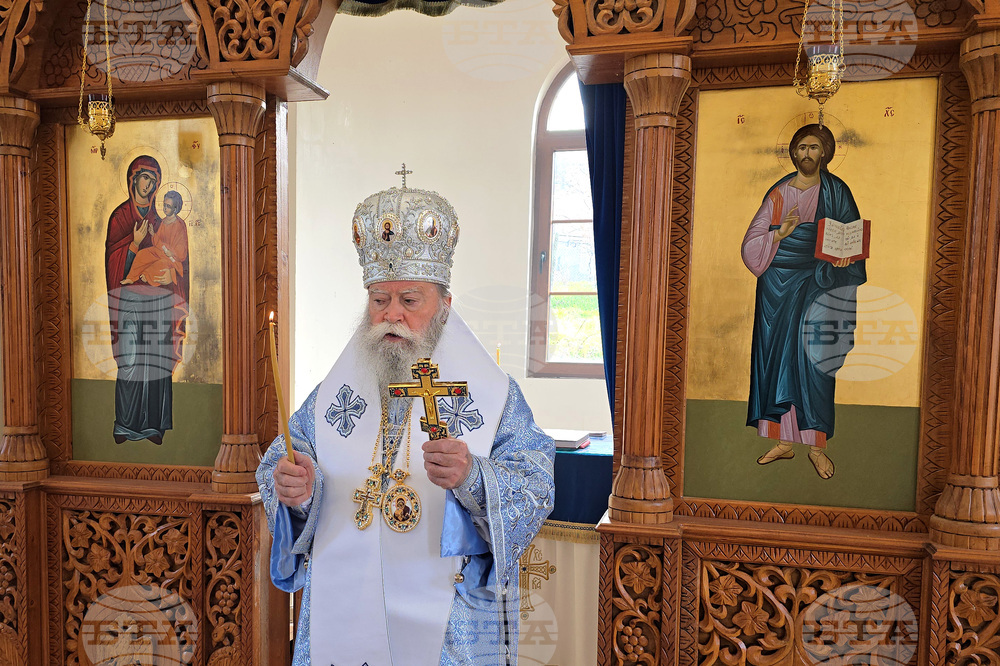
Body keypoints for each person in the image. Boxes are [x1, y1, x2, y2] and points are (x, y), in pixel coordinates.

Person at [256, 181, 555, 665]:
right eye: (379, 300)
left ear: (445, 306)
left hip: (447, 618)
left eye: (409, 300)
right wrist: (296, 486)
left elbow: (536, 482)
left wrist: (474, 475)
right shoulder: (341, 388)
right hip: (344, 600)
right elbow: (285, 454)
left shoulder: (491, 395)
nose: (391, 315)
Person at [740, 124, 867, 479]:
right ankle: (782, 442)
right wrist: (779, 234)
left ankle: (816, 448)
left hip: (822, 284)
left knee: (815, 361)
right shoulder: (779, 193)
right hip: (779, 286)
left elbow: (851, 235)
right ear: (793, 153)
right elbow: (752, 242)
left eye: (814, 148)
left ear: (824, 153)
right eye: (801, 148)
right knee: (778, 360)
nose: (807, 154)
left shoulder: (837, 190)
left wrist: (846, 259)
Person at [104, 156, 190, 445]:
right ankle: (125, 424)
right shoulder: (120, 218)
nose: (149, 185)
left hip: (158, 303)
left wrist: (172, 279)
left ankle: (154, 425)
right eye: (144, 178)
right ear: (133, 180)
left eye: (154, 180)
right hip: (128, 301)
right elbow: (113, 264)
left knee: (154, 362)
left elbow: (180, 262)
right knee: (129, 361)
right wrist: (133, 244)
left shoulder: (161, 220)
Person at [121, 190, 189, 288]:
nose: (165, 208)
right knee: (142, 254)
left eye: (168, 206)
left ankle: (147, 275)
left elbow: (182, 251)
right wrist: (153, 234)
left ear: (175, 209)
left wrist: (172, 252)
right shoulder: (164, 221)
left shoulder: (179, 225)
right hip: (160, 252)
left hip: (172, 259)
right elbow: (157, 242)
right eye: (164, 205)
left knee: (161, 264)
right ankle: (131, 277)